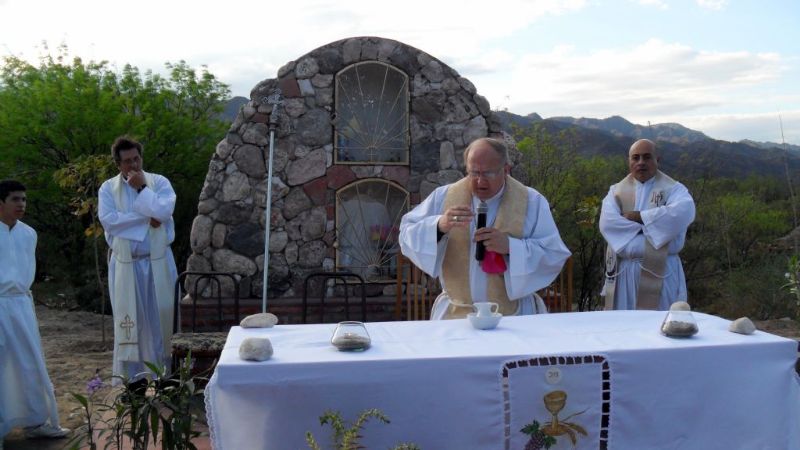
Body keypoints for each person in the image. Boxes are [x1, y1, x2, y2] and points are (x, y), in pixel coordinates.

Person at [399, 137, 571, 319]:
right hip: (456, 313)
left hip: (513, 316)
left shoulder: (532, 202)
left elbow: (553, 254)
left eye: (488, 174)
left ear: (506, 170)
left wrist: (511, 247)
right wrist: (439, 226)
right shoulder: (443, 197)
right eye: (474, 173)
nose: (480, 182)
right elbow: (406, 234)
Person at [98, 136, 177, 385]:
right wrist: (147, 216)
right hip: (126, 266)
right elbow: (110, 221)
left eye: (137, 159)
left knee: (161, 321)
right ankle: (135, 383)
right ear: (118, 164)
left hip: (158, 263)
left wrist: (143, 190)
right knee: (132, 325)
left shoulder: (159, 182)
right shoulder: (107, 189)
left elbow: (164, 212)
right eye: (127, 161)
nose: (133, 165)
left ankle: (167, 380)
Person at [0, 180, 69, 446]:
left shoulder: (29, 233)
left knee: (29, 362)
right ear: (1, 202)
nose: (22, 204)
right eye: (15, 199)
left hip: (21, 305)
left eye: (24, 200)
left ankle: (36, 420)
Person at [599, 139, 696, 310]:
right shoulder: (616, 191)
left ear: (657, 159)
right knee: (623, 329)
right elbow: (608, 224)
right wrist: (652, 226)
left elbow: (683, 212)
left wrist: (640, 217)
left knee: (659, 328)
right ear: (629, 161)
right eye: (635, 158)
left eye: (647, 157)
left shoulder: (675, 190)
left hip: (661, 273)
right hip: (624, 274)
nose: (641, 163)